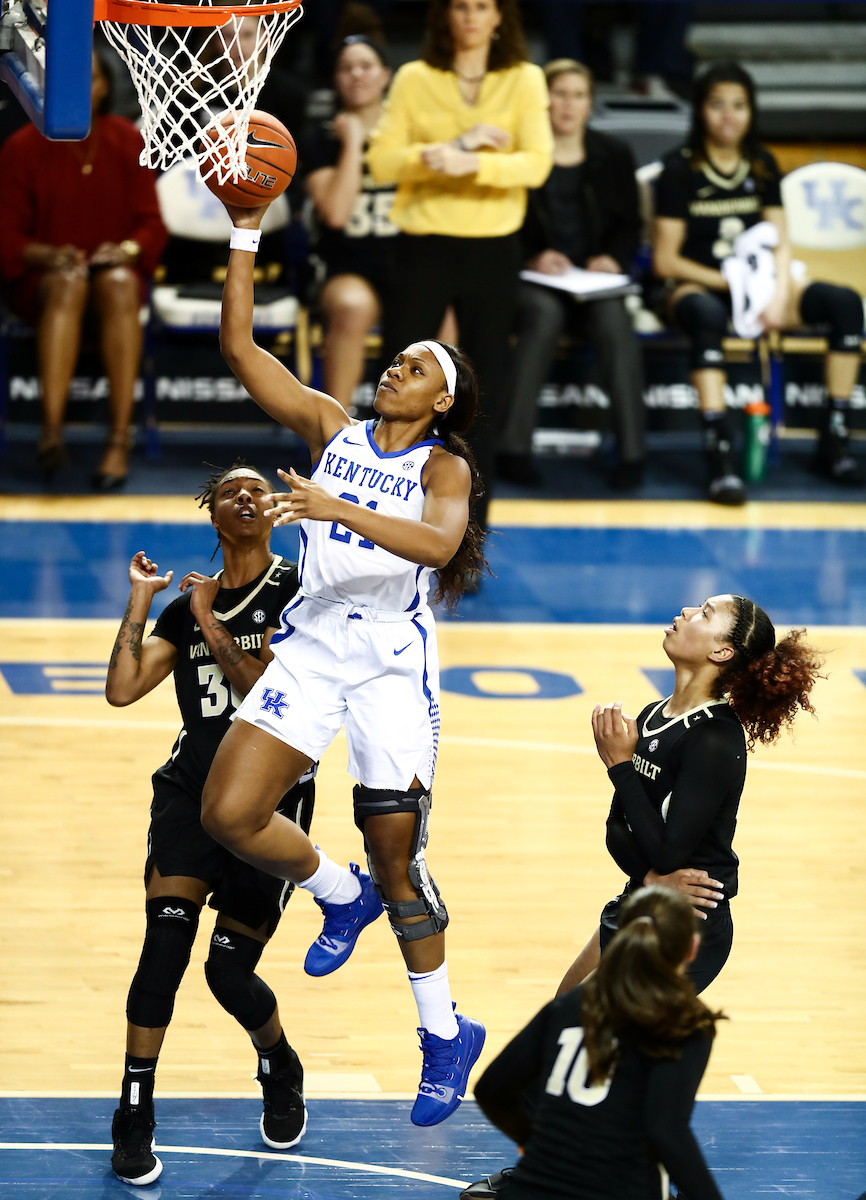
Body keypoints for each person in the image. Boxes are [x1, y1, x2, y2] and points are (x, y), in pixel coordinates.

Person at [198, 194, 489, 1128]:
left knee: (400, 856)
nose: (394, 368)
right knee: (228, 813)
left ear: (440, 400)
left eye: (415, 367)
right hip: (317, 642)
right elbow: (240, 348)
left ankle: (444, 1034)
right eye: (395, 359)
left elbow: (437, 546)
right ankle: (338, 891)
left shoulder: (444, 466)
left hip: (391, 662)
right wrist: (246, 228)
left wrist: (335, 509)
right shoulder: (332, 428)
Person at [462, 592, 822, 1200]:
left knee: (594, 1048)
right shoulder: (654, 716)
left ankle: (584, 1176)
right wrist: (651, 875)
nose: (686, 612)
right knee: (563, 1018)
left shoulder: (716, 739)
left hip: (688, 928)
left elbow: (669, 849)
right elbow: (617, 832)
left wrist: (619, 768)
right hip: (643, 902)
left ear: (721, 651)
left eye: (705, 614)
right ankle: (565, 1168)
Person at [104, 462, 315, 1186]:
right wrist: (142, 601)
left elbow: (266, 691)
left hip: (269, 802)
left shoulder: (296, 591)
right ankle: (134, 1110)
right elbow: (123, 689)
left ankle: (278, 1061)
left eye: (257, 488)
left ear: (273, 512)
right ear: (214, 515)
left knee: (228, 971)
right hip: (190, 791)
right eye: (230, 490)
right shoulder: (184, 605)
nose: (247, 495)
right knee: (164, 945)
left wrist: (206, 619)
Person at [366, 0, 553, 531]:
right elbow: (381, 162)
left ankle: (468, 529)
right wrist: (452, 147)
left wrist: (469, 163)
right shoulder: (414, 77)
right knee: (398, 385)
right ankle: (377, 511)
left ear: (499, 17)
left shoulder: (525, 79)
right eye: (461, 6)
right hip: (423, 244)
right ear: (445, 15)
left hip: (493, 247)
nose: (470, 15)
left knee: (480, 395)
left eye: (482, 6)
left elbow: (536, 164)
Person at [652, 61, 865, 504]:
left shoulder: (763, 164)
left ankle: (835, 437)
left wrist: (779, 295)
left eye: (739, 105)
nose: (728, 116)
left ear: (752, 111)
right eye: (717, 105)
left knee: (845, 303)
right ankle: (720, 453)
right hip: (701, 283)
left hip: (761, 285)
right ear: (700, 110)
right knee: (704, 313)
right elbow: (666, 261)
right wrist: (731, 283)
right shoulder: (679, 168)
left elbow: (780, 241)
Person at [473, 886, 726, 1200]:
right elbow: (666, 1131)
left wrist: (533, 1141)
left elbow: (491, 1089)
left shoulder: (568, 1005)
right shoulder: (685, 1022)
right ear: (692, 947)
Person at [0, 49, 167, 488]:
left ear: (105, 86)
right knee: (68, 283)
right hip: (45, 282)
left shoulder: (127, 141)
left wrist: (126, 249)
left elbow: (152, 225)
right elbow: (6, 237)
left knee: (119, 283)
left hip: (113, 281)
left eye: (89, 78)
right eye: (67, 78)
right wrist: (48, 255)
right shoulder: (21, 147)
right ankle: (51, 433)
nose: (79, 87)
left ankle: (118, 441)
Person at [499, 59, 645, 490]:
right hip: (535, 281)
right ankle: (512, 449)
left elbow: (630, 225)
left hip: (594, 281)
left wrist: (613, 258)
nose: (568, 104)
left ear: (590, 104)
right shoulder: (521, 156)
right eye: (559, 93)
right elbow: (502, 224)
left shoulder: (613, 154)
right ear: (543, 101)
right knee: (543, 316)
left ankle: (633, 453)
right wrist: (532, 258)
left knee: (614, 320)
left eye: (578, 95)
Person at [304, 35, 398, 412]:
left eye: (366, 66)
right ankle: (336, 430)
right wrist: (353, 143)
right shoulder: (319, 138)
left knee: (446, 309)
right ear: (335, 80)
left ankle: (432, 435)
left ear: (386, 75)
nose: (357, 74)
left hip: (406, 265)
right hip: (346, 267)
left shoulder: (409, 134)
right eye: (346, 68)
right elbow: (336, 213)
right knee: (352, 306)